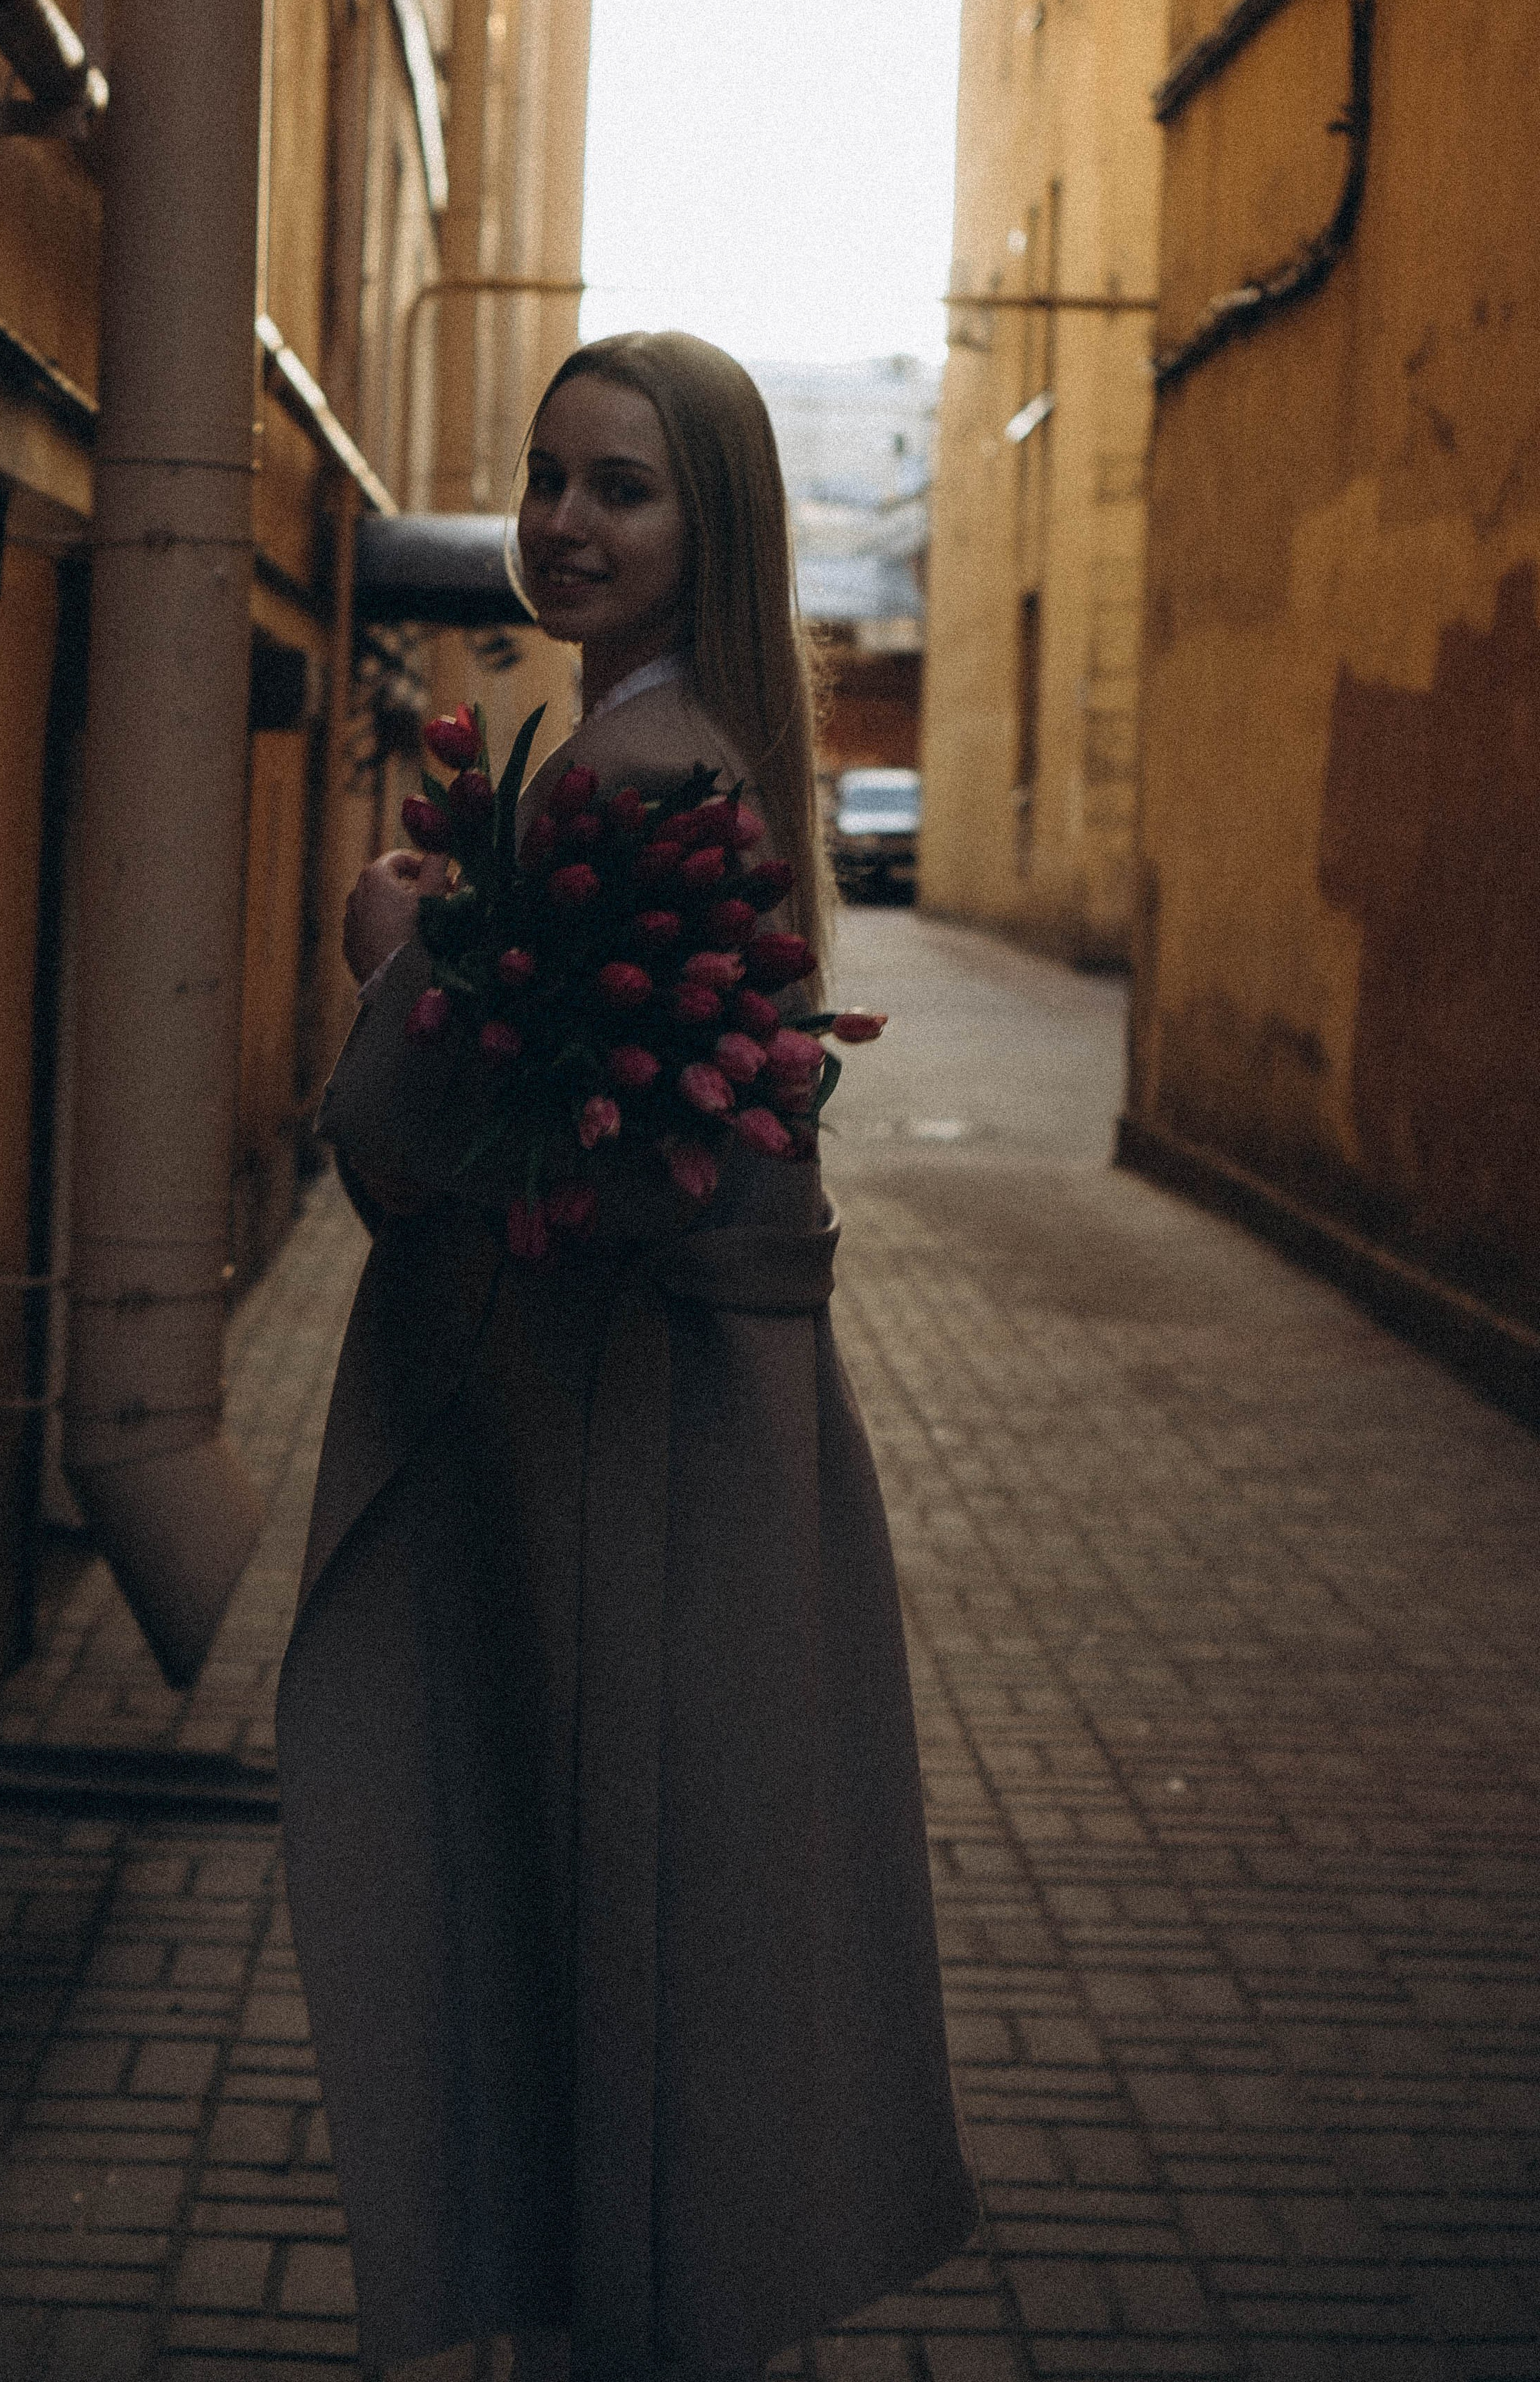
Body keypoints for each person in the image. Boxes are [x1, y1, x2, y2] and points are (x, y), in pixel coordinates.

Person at [276, 332, 977, 2382]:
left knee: (627, 1886)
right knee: (656, 1900)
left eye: (623, 488)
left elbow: (515, 1147)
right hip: (651, 1432)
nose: (566, 521)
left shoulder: (646, 775)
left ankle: (643, 2305)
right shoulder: (652, 750)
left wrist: (399, 960)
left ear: (714, 527)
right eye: (549, 475)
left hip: (630, 1448)